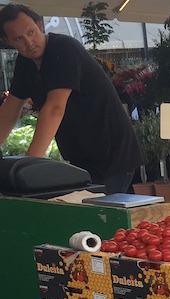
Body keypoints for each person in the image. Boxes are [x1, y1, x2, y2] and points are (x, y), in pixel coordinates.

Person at [0, 3, 142, 194]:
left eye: (31, 32)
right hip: (80, 158)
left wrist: (28, 166)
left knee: (97, 217)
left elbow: (55, 108)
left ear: (40, 26)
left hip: (112, 154)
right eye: (19, 38)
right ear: (8, 41)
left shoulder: (64, 49)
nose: (29, 42)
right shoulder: (24, 63)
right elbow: (10, 111)